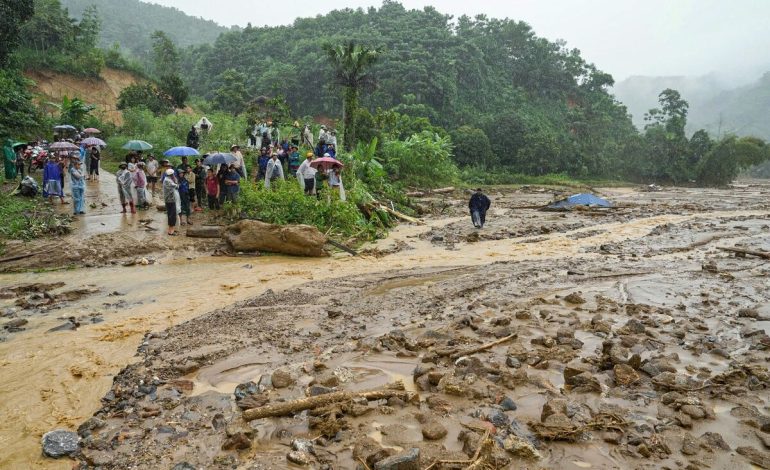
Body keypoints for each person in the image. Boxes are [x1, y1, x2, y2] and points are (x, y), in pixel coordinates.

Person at [163, 168, 179, 235]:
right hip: (171, 200)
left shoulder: (166, 179)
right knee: (172, 215)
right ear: (172, 174)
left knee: (170, 215)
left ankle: (170, 229)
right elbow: (177, 186)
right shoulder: (169, 181)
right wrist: (175, 180)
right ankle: (171, 231)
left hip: (167, 200)